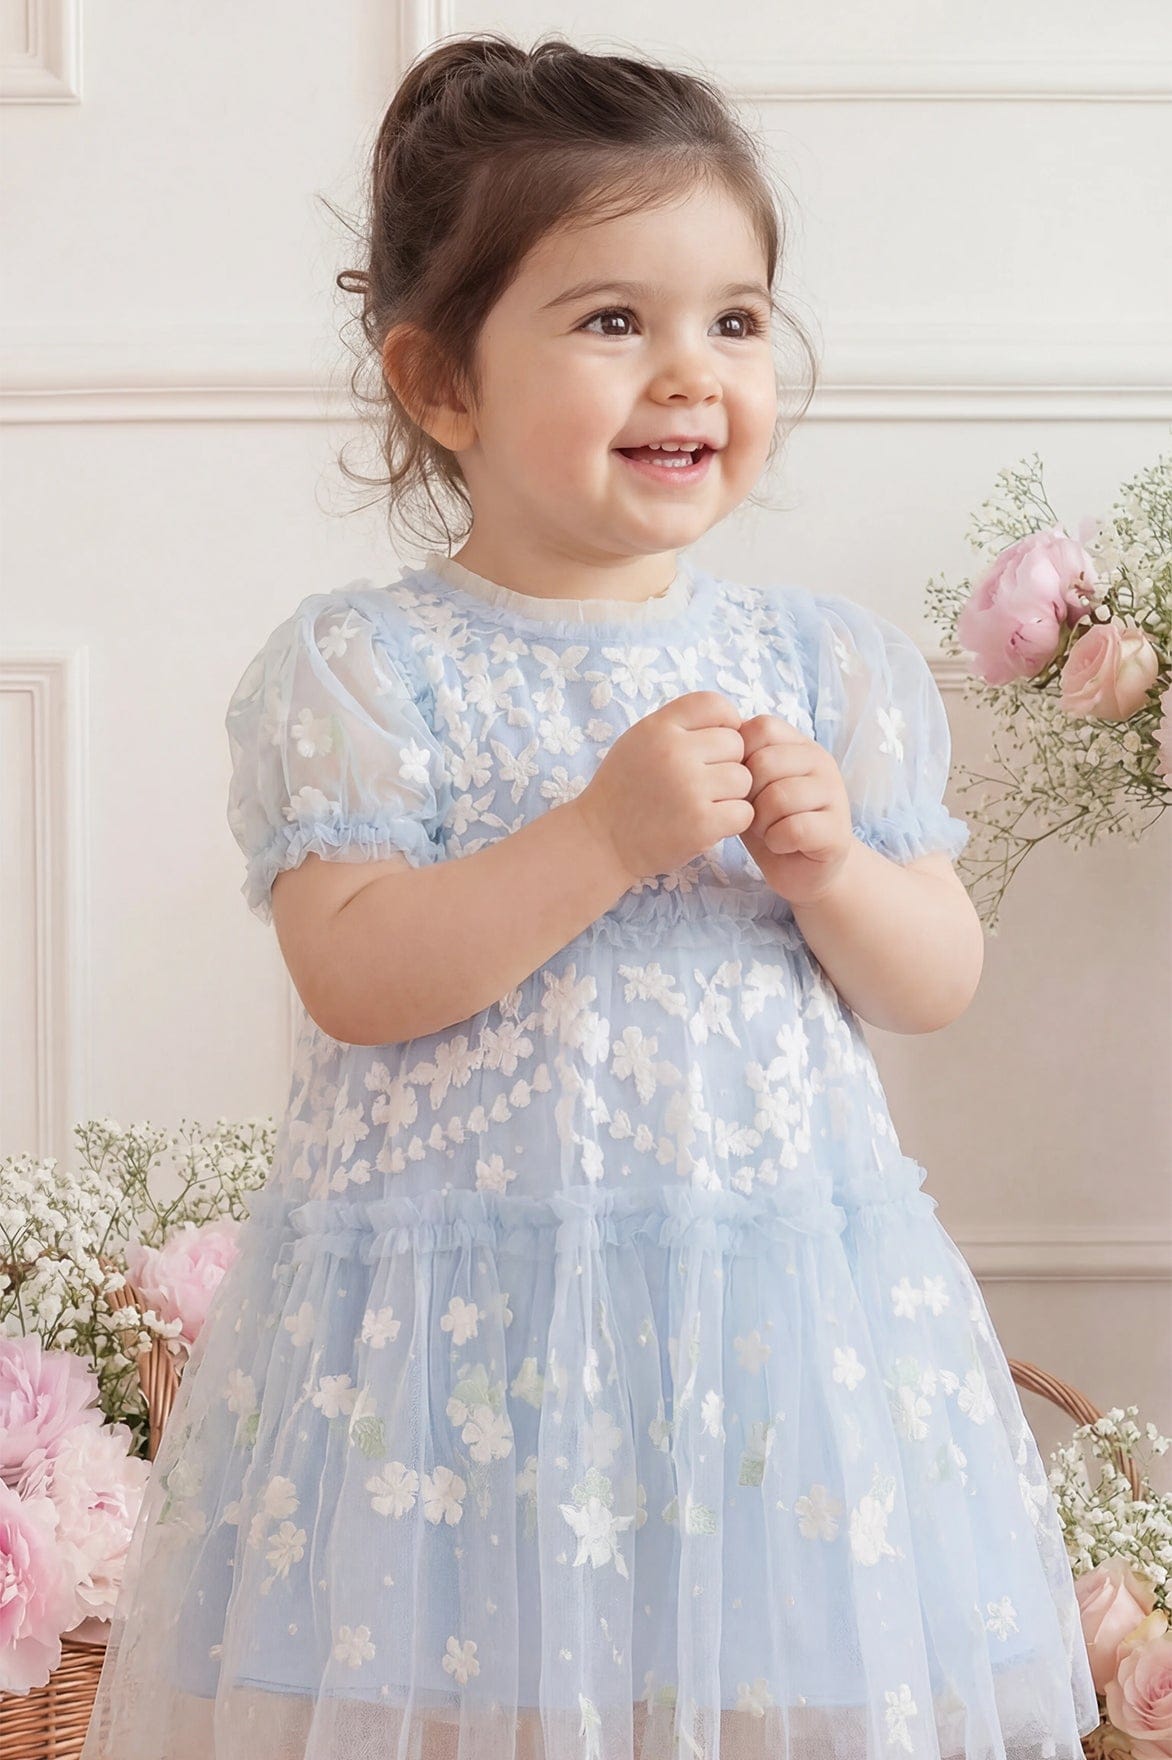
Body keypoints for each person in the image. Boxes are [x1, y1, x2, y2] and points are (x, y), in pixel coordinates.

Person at [81, 31, 1101, 1760]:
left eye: (736, 319)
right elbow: (355, 975)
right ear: (441, 384)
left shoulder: (821, 664)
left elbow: (933, 977)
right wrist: (599, 839)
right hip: (460, 1366)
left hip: (758, 1349)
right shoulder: (370, 667)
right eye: (615, 319)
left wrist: (836, 870)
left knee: (757, 1697)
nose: (692, 371)